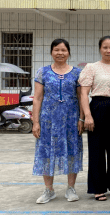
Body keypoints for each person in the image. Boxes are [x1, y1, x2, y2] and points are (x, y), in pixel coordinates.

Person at [32, 39, 84, 204]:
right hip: (48, 120)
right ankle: (49, 190)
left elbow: (81, 97)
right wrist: (35, 122)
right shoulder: (43, 72)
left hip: (71, 119)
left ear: (68, 52)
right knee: (46, 152)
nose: (60, 53)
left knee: (72, 150)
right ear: (51, 52)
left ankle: (71, 188)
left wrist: (81, 118)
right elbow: (38, 98)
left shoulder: (77, 73)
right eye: (56, 50)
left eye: (63, 50)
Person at [79, 36, 110, 201]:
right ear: (100, 49)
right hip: (98, 108)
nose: (108, 50)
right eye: (105, 47)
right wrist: (87, 115)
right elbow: (84, 94)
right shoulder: (91, 67)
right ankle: (98, 187)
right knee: (97, 150)